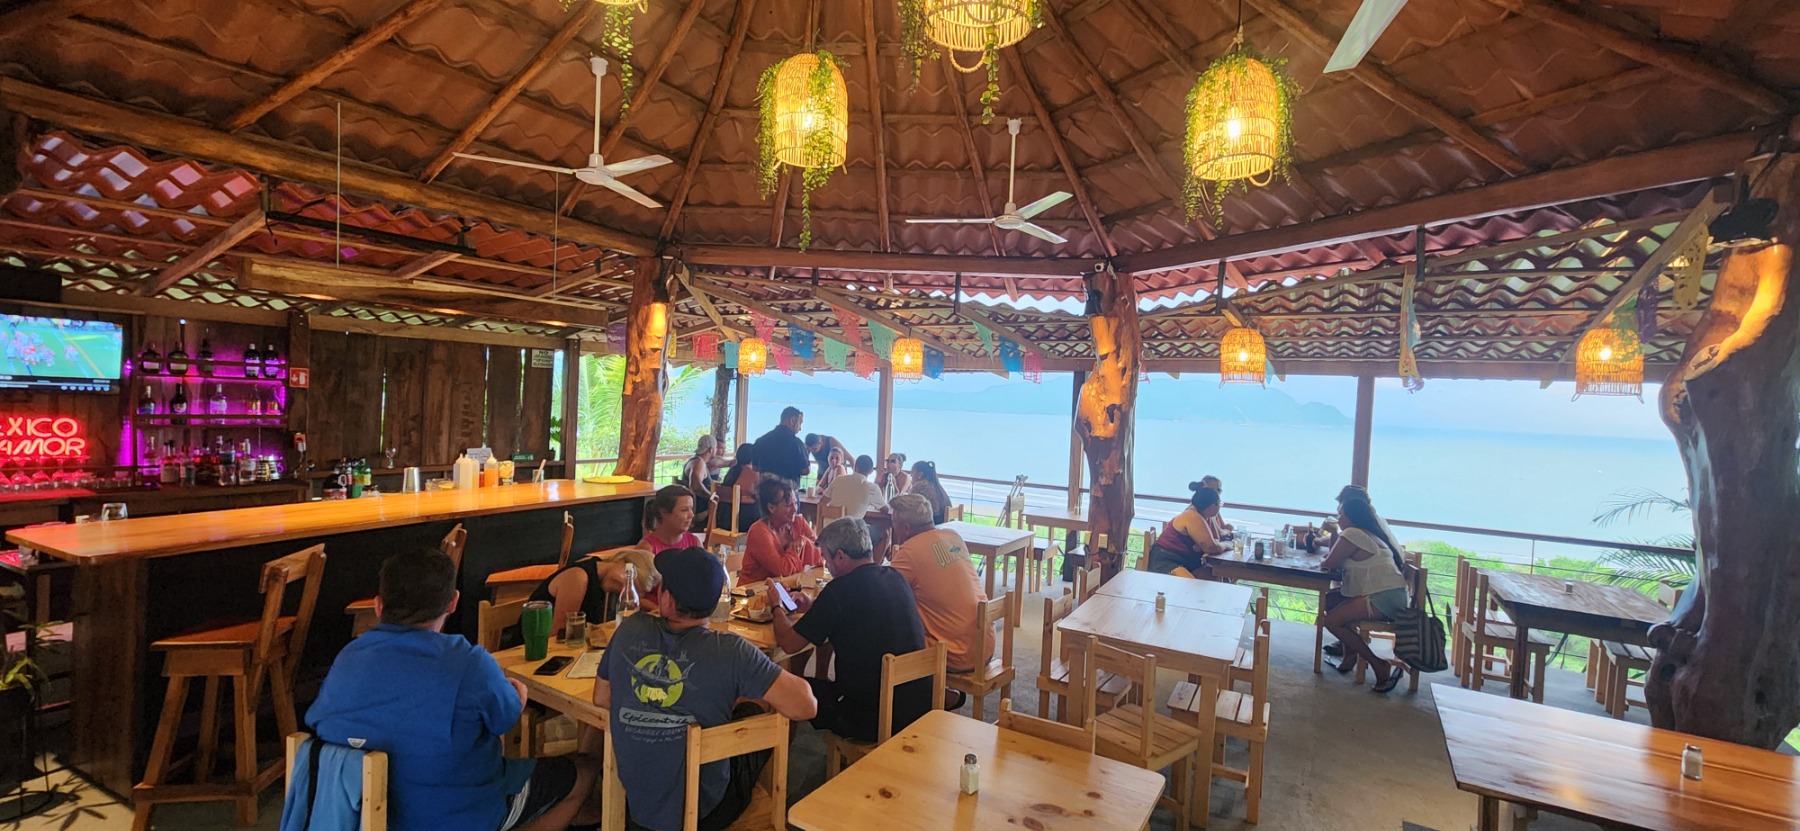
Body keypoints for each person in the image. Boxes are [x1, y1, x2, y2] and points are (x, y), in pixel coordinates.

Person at [307, 548, 600, 831]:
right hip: (459, 812)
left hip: (358, 813)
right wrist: (517, 694)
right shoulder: (467, 661)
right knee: (583, 770)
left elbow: (321, 724)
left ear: (378, 605)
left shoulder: (347, 658)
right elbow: (505, 719)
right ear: (453, 603)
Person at [592, 547, 817, 831]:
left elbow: (602, 697)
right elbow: (806, 706)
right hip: (706, 811)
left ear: (667, 600)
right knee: (758, 706)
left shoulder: (629, 629)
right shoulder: (732, 652)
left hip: (637, 806)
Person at [770, 517, 930, 742]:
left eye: (826, 557)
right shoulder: (895, 577)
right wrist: (815, 606)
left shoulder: (838, 590)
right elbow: (862, 612)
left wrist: (776, 605)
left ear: (840, 556)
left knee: (786, 687)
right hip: (917, 704)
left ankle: (775, 757)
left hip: (868, 716)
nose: (826, 564)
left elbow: (788, 643)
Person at [887, 494, 990, 678]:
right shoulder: (953, 537)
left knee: (885, 628)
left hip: (952, 653)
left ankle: (914, 690)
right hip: (984, 646)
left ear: (906, 528)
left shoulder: (909, 552)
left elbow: (883, 592)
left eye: (894, 523)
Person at [1318, 498, 1413, 694]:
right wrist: (1335, 535)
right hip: (1394, 593)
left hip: (1383, 596)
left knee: (1332, 622)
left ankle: (1379, 665)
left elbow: (1329, 563)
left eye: (1341, 514)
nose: (1338, 518)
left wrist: (1333, 533)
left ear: (1351, 516)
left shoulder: (1352, 534)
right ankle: (1349, 655)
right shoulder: (1369, 533)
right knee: (1329, 601)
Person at [529, 545, 659, 638]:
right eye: (628, 581)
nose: (623, 588)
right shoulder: (578, 577)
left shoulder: (604, 578)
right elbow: (558, 634)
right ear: (624, 565)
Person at [739, 477, 821, 585]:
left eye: (795, 503)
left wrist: (803, 541)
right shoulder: (759, 532)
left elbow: (821, 550)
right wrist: (795, 549)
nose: (795, 509)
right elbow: (783, 570)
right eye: (788, 505)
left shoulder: (798, 522)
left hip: (785, 589)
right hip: (754, 591)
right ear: (771, 508)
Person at [1147, 483, 1231, 578]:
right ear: (1212, 507)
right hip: (1167, 561)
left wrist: (1203, 546)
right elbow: (1211, 547)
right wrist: (1226, 545)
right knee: (1191, 584)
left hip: (1185, 561)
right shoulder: (1192, 516)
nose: (1220, 507)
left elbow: (1214, 540)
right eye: (1219, 504)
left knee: (1216, 575)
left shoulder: (1203, 515)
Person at [820, 454, 888, 520]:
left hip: (829, 525)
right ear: (871, 471)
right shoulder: (872, 488)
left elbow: (822, 502)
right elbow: (885, 509)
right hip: (850, 527)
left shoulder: (838, 479)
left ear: (855, 467)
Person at [752, 407, 809, 485]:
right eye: (800, 423)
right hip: (788, 489)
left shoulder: (760, 441)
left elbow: (755, 467)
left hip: (765, 488)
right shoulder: (796, 443)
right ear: (792, 420)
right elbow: (805, 470)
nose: (800, 428)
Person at [641, 484, 702, 555]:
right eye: (684, 510)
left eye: (691, 509)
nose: (691, 515)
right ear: (663, 512)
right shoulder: (647, 548)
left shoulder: (694, 542)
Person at [713, 444, 760, 532]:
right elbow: (760, 495)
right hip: (739, 521)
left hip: (722, 518)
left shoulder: (732, 471)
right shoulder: (753, 473)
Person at [681, 437, 722, 524]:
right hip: (701, 513)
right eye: (716, 447)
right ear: (711, 449)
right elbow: (695, 486)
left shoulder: (694, 460)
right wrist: (711, 497)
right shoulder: (698, 463)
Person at [907, 460, 952, 525]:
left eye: (912, 473)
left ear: (920, 474)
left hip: (931, 523)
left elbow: (908, 505)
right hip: (942, 522)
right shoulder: (935, 485)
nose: (911, 476)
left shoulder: (919, 486)